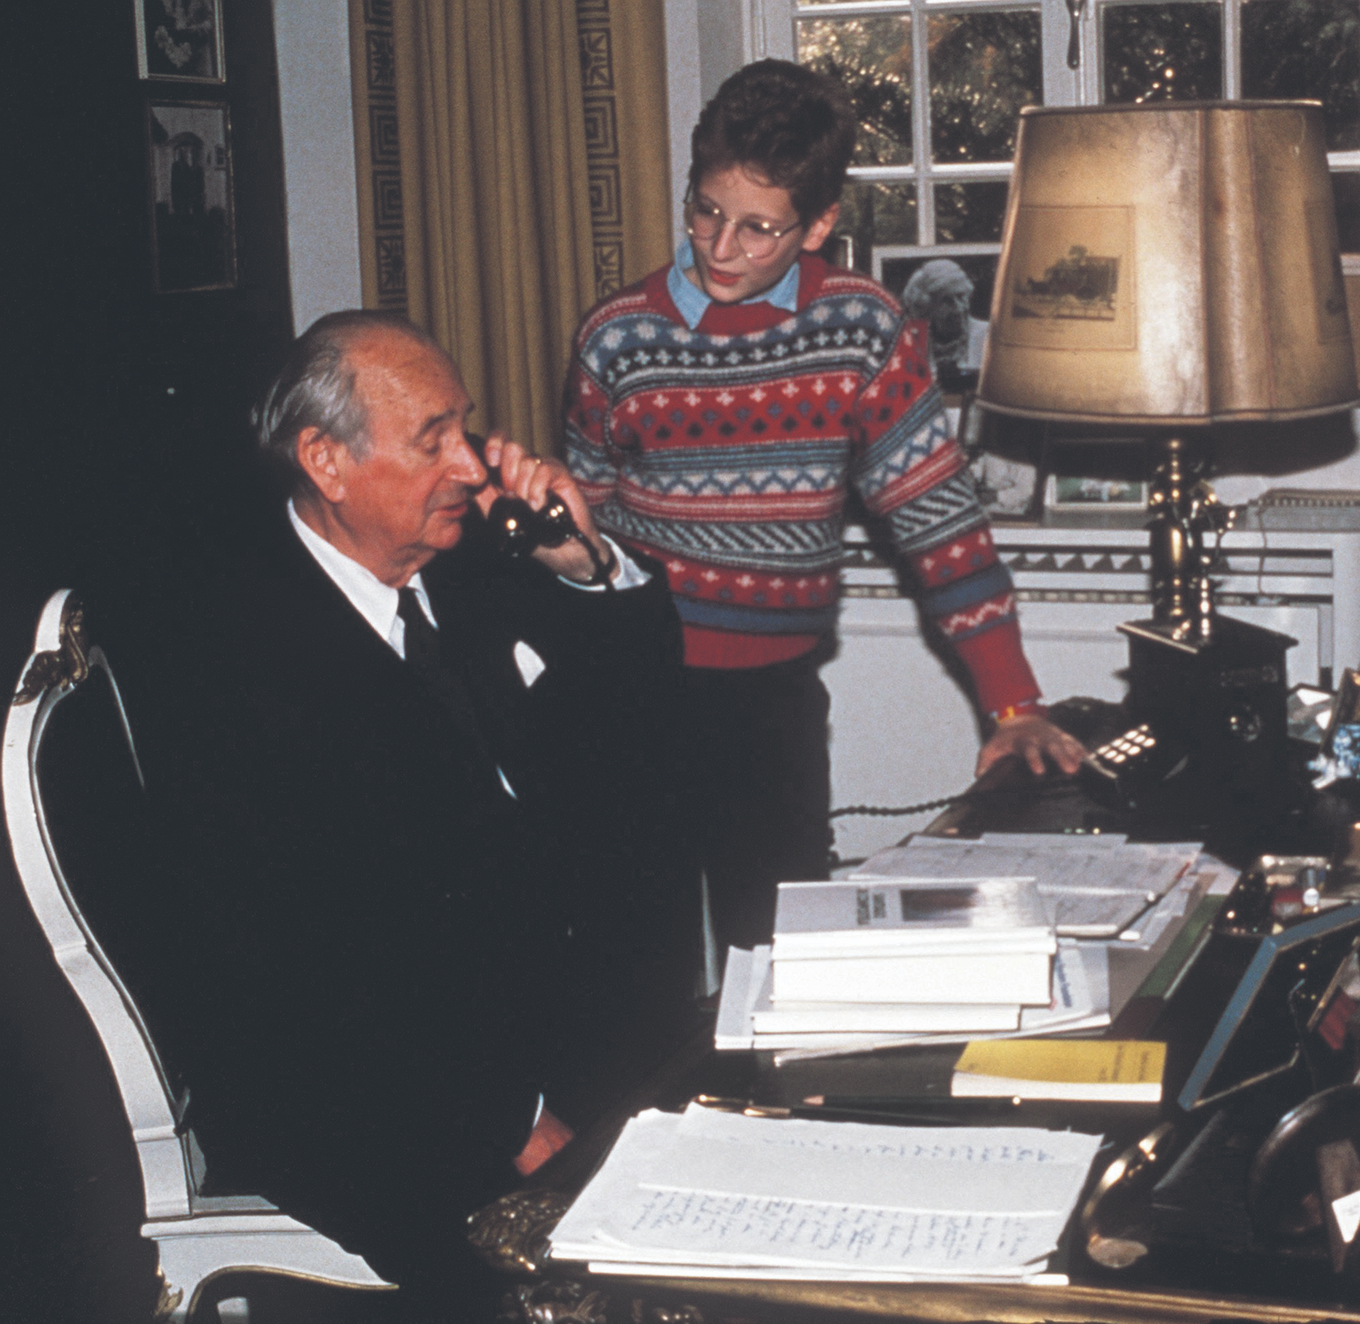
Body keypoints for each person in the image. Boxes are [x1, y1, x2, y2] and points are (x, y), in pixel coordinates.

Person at [104, 310, 699, 1313]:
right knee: (617, 1276)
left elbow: (647, 723)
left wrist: (588, 567)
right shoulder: (237, 663)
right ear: (325, 462)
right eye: (435, 439)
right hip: (371, 1087)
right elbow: (309, 968)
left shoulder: (468, 569)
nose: (472, 464)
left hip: (517, 1011)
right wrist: (514, 1119)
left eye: (467, 428)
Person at [562, 59, 1086, 954]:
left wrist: (1014, 703)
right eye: (705, 212)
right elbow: (589, 536)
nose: (720, 249)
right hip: (635, 690)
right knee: (630, 957)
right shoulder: (617, 337)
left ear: (820, 225)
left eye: (760, 229)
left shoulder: (867, 329)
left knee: (777, 948)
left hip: (773, 704)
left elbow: (940, 522)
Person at [901, 258, 991, 392]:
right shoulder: (910, 344)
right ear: (927, 307)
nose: (959, 308)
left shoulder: (990, 337)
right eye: (947, 301)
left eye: (961, 297)